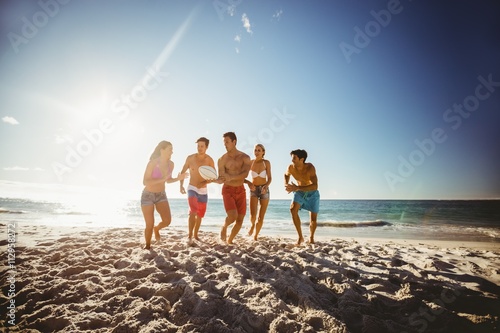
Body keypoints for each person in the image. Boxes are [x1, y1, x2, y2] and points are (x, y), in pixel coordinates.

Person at [141, 140, 188, 249]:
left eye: (172, 150)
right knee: (149, 224)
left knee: (167, 221)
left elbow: (168, 180)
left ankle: (157, 229)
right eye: (170, 149)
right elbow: (145, 182)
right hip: (148, 195)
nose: (172, 152)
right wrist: (161, 179)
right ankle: (147, 246)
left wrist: (178, 179)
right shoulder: (152, 163)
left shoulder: (171, 164)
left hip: (161, 195)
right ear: (162, 150)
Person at [218, 132, 252, 244]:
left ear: (234, 142)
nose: (225, 145)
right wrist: (215, 180)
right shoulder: (222, 159)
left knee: (240, 219)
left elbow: (245, 174)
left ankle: (230, 240)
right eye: (224, 143)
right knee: (232, 216)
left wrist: (230, 177)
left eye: (227, 142)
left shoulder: (245, 158)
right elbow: (222, 178)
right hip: (228, 190)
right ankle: (224, 226)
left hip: (241, 190)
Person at [179, 137, 215, 242]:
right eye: (198, 146)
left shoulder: (209, 160)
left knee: (200, 215)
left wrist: (204, 182)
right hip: (192, 187)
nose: (199, 148)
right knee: (193, 211)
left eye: (202, 146)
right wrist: (181, 185)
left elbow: (213, 177)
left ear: (206, 147)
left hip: (203, 190)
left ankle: (195, 234)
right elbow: (183, 172)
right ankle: (189, 235)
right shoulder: (190, 158)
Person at [284, 149, 319, 245]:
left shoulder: (310, 168)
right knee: (292, 209)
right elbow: (286, 174)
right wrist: (286, 184)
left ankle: (311, 237)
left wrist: (297, 187)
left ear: (302, 159)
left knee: (313, 219)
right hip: (299, 192)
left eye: (294, 158)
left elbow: (315, 186)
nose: (292, 160)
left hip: (312, 193)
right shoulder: (291, 168)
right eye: (292, 158)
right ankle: (300, 237)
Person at [244, 144, 272, 240]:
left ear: (263, 152)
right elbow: (242, 176)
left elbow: (270, 178)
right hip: (253, 189)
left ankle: (255, 236)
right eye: (255, 150)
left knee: (260, 217)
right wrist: (248, 183)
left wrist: (266, 186)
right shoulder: (251, 163)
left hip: (264, 189)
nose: (257, 152)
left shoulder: (266, 163)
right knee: (252, 216)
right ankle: (252, 225)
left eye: (259, 150)